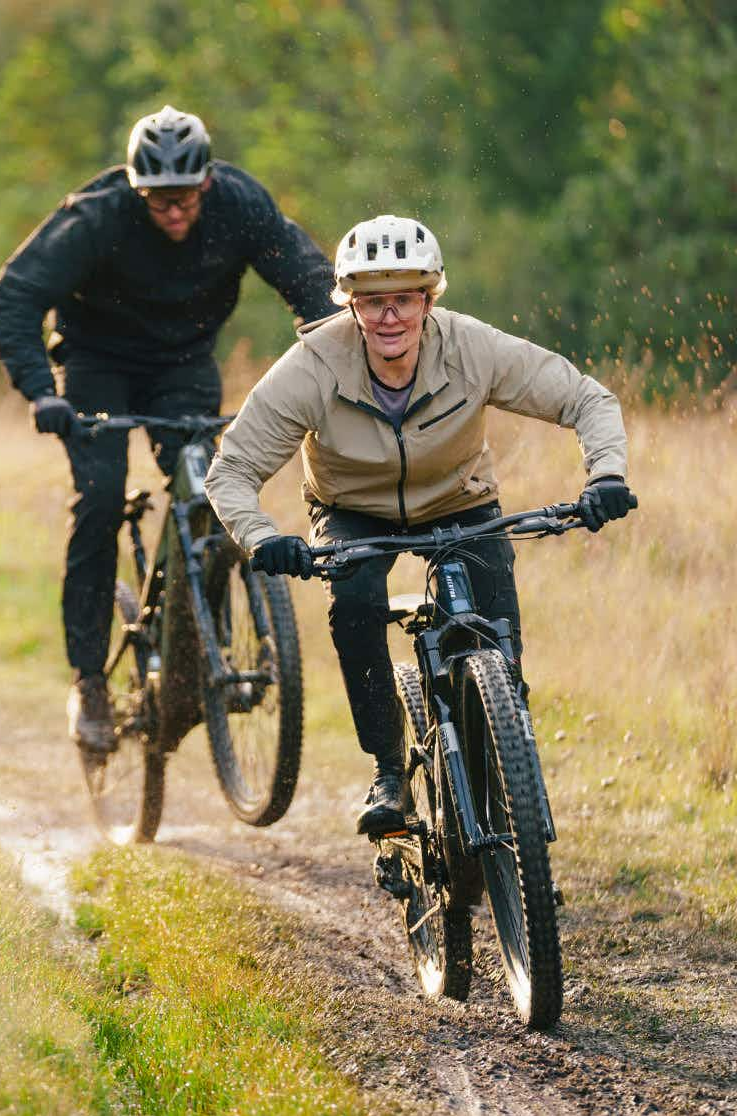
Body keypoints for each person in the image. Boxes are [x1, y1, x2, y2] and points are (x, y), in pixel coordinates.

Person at [204, 213, 635, 836]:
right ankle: (388, 769)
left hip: (461, 501)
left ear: (428, 299)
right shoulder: (312, 366)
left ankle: (505, 746)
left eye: (404, 299)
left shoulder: (472, 348)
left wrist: (605, 477)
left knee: (496, 637)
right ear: (349, 305)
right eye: (372, 302)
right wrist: (265, 537)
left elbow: (586, 398)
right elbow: (233, 469)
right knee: (353, 603)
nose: (388, 318)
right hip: (353, 511)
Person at [0, 104, 334, 755]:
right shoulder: (96, 216)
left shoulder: (240, 204)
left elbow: (309, 279)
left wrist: (332, 356)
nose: (174, 214)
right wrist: (40, 390)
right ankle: (89, 680)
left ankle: (205, 657)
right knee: (99, 498)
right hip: (97, 365)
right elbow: (14, 294)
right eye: (158, 202)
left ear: (206, 183)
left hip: (182, 363)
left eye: (184, 199)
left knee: (212, 491)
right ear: (136, 189)